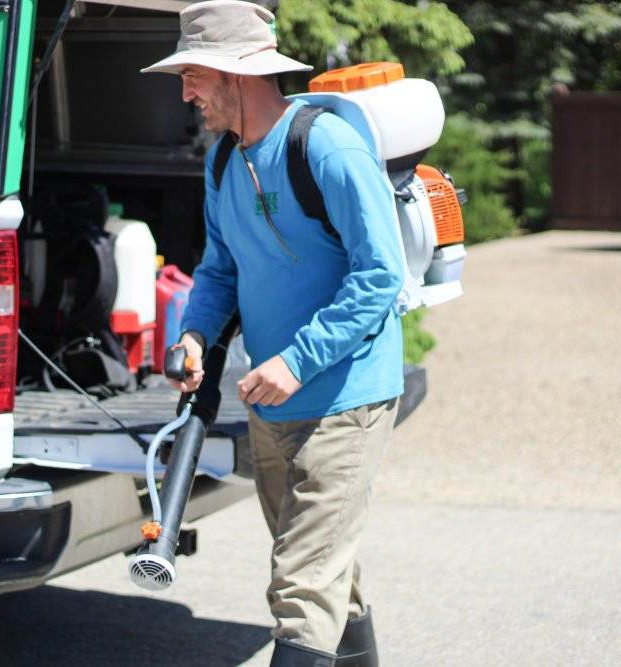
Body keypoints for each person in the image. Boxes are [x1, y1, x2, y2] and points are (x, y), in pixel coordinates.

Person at [142, 2, 404, 665]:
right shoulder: (225, 161)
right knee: (325, 580)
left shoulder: (327, 147)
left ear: (239, 73)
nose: (185, 92)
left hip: (346, 400)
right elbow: (220, 267)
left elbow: (381, 275)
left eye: (193, 74)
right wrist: (195, 335)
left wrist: (299, 358)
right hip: (275, 404)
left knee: (299, 588)